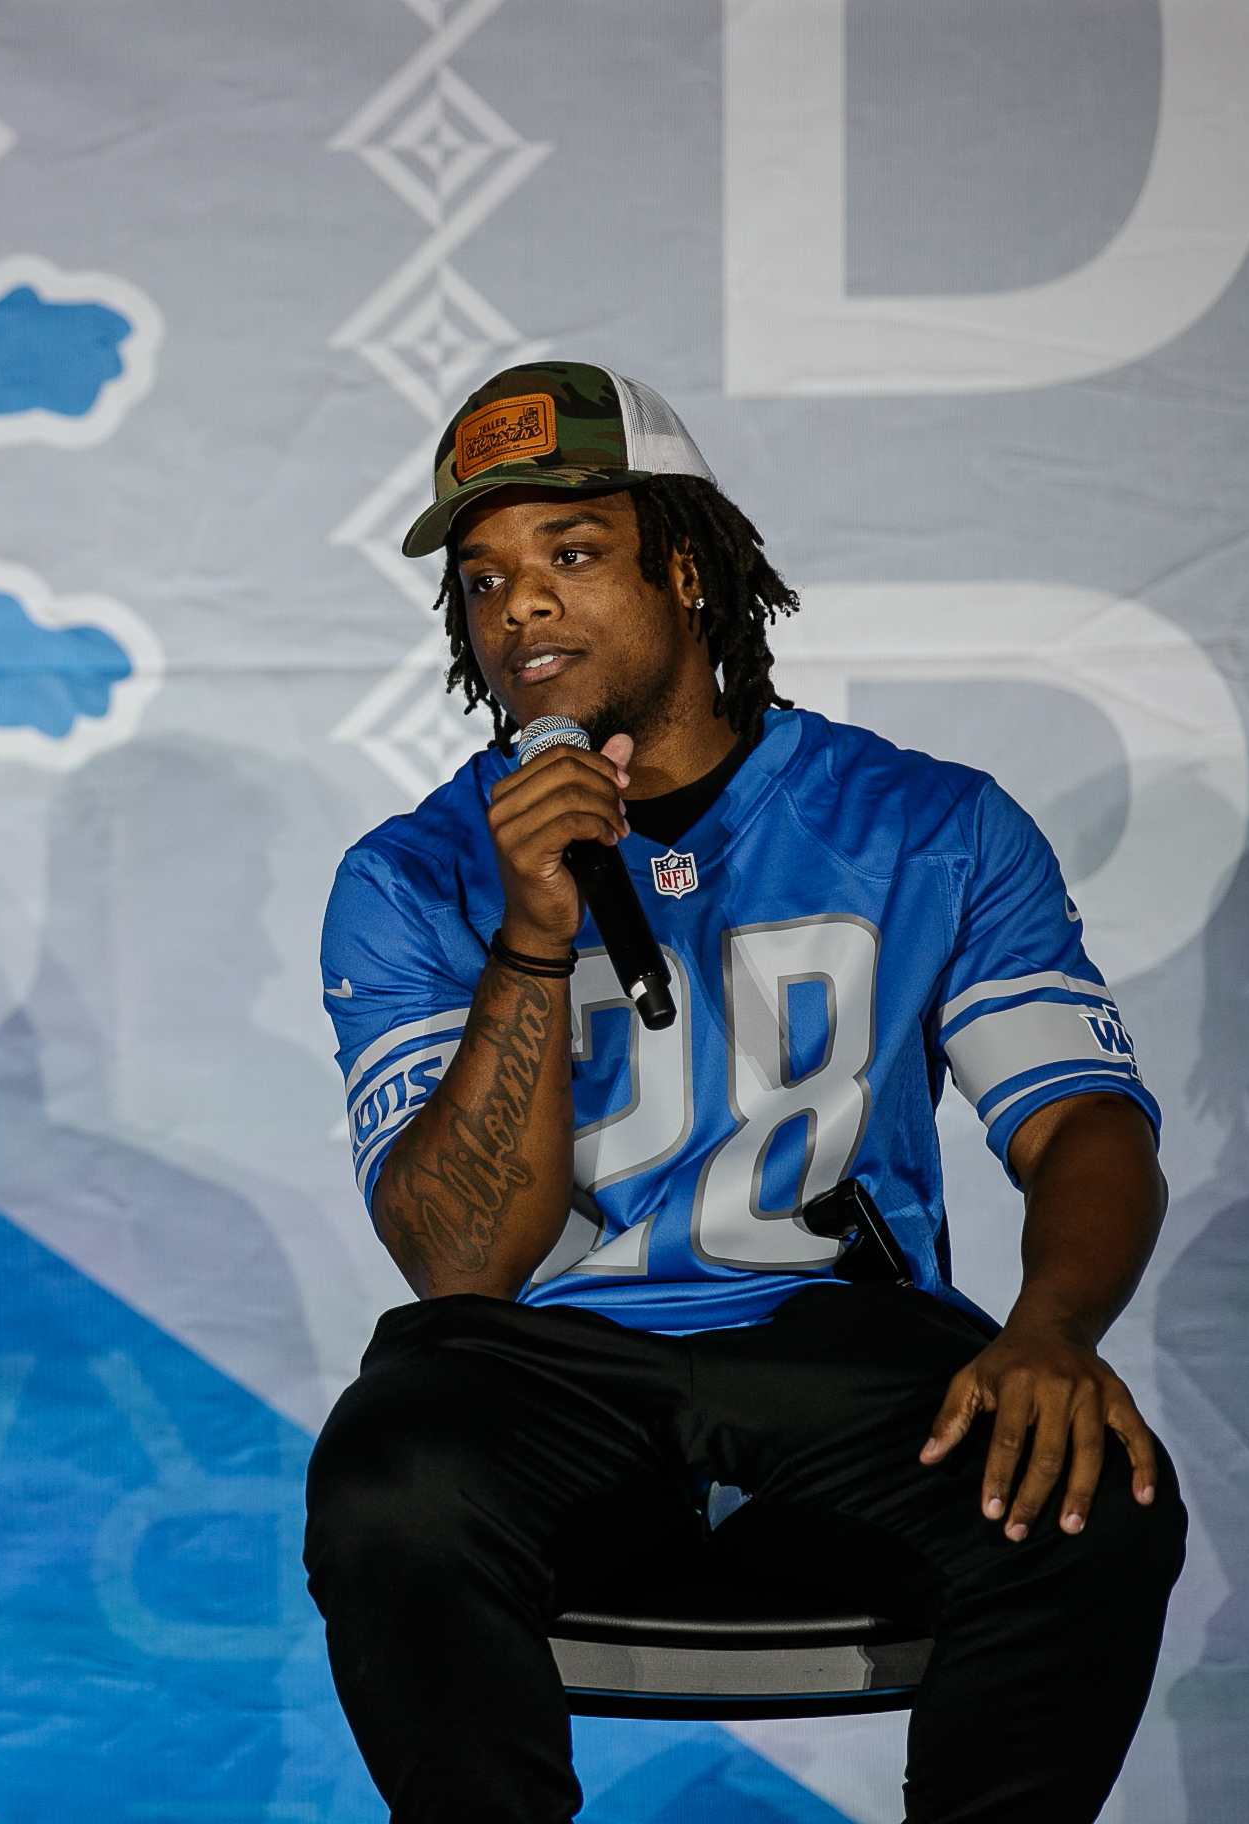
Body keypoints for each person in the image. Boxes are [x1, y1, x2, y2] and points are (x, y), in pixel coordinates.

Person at [303, 361, 1184, 1822]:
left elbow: (1080, 1120)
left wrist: (1050, 1331)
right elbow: (463, 1265)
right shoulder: (409, 874)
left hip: (840, 1353)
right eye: (481, 580)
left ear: (692, 564)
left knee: (1089, 1495)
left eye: (572, 555)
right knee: (393, 1471)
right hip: (553, 1377)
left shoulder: (924, 823)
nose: (517, 607)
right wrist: (533, 933)